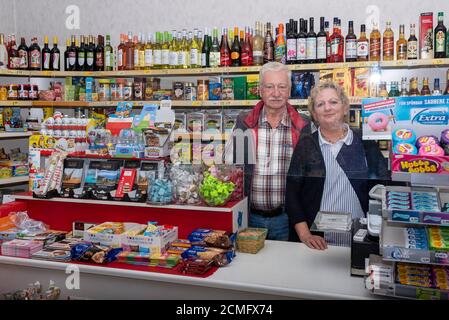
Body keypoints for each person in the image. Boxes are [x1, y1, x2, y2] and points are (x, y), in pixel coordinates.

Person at [285, 81, 389, 250]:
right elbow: (292, 194)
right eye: (320, 104)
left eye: (333, 102)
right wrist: (305, 235)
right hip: (318, 240)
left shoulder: (365, 142)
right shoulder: (306, 144)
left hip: (359, 236)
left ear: (345, 107)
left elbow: (381, 188)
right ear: (314, 114)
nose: (327, 108)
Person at [225, 62, 309, 240]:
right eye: (270, 87)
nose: (276, 93)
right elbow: (233, 168)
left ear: (289, 90)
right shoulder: (245, 122)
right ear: (261, 90)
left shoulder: (303, 125)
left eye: (282, 87)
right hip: (249, 217)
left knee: (285, 267)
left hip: (288, 219)